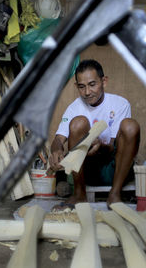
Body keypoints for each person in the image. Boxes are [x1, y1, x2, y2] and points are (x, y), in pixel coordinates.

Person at [50, 59, 140, 209]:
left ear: (104, 82)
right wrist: (56, 150)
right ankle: (79, 194)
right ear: (76, 87)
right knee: (78, 122)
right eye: (81, 87)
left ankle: (115, 194)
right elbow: (58, 139)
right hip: (87, 171)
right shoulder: (74, 108)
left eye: (92, 85)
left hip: (115, 169)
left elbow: (113, 147)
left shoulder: (120, 104)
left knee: (130, 126)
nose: (87, 92)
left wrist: (101, 145)